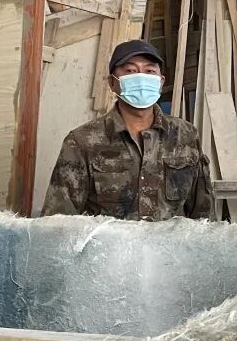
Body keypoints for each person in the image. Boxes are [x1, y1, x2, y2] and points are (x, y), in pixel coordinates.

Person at [44, 39, 213, 220]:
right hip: (107, 240)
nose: (141, 77)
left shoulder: (185, 136)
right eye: (130, 71)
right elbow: (59, 220)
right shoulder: (82, 142)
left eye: (149, 71)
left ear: (161, 81)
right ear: (112, 82)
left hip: (171, 240)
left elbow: (203, 213)